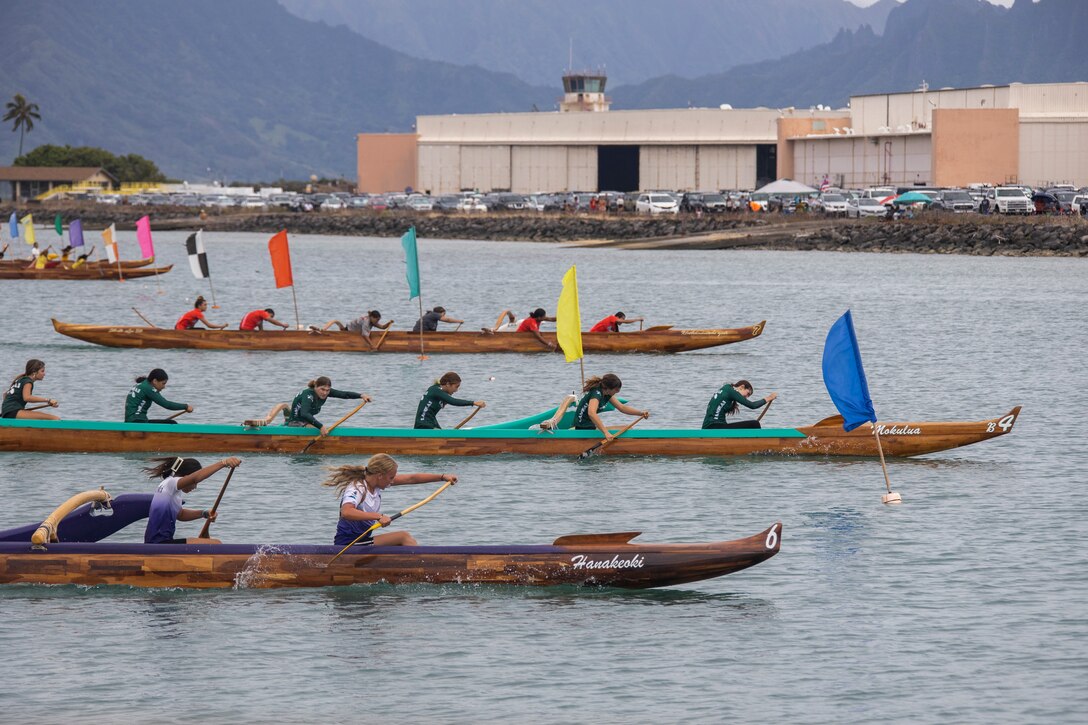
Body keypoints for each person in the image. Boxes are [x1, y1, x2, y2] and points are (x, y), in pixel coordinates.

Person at [325, 453, 458, 547]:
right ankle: (423, 572)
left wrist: (442, 476)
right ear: (380, 476)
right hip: (349, 544)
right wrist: (378, 516)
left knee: (402, 541)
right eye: (391, 478)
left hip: (363, 540)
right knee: (403, 537)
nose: (393, 481)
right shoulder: (357, 488)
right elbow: (347, 512)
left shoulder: (376, 485)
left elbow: (411, 478)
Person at [142, 456, 240, 544]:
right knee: (216, 544)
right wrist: (223, 463)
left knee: (208, 543)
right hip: (159, 543)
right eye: (195, 483)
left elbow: (180, 515)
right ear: (186, 478)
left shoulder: (169, 488)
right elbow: (194, 478)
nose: (195, 486)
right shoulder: (171, 483)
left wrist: (203, 513)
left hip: (160, 541)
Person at [572, 373, 648, 441]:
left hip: (591, 427)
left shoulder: (607, 394)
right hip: (583, 429)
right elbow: (591, 413)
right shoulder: (596, 394)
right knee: (627, 431)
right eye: (616, 390)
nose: (616, 392)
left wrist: (641, 413)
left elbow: (622, 408)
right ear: (608, 388)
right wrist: (606, 433)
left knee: (628, 429)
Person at [286, 376, 370, 435]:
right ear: (315, 387)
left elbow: (344, 394)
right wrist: (321, 427)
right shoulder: (308, 395)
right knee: (323, 430)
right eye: (322, 389)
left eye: (327, 390)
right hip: (295, 423)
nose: (325, 393)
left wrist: (361, 395)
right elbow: (304, 413)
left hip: (306, 421)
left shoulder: (325, 392)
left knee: (324, 430)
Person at [414, 372, 484, 429]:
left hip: (430, 423)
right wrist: (473, 403)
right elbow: (453, 401)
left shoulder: (439, 391)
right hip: (423, 425)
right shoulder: (435, 390)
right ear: (447, 384)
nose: (456, 390)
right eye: (456, 387)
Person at [702, 379, 777, 429]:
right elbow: (752, 405)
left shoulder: (726, 389)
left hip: (711, 427)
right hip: (714, 427)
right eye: (747, 394)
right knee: (754, 424)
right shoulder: (731, 390)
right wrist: (769, 398)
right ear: (742, 387)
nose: (746, 397)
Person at [126, 369, 192, 423]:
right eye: (163, 383)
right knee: (172, 423)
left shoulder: (142, 385)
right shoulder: (148, 388)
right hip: (137, 422)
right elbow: (167, 404)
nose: (164, 387)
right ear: (155, 381)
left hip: (131, 421)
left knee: (169, 422)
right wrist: (185, 406)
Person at [312, 310, 391, 349]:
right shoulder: (366, 322)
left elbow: (383, 327)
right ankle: (321, 329)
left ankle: (321, 329)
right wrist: (372, 345)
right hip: (348, 331)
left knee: (336, 321)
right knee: (336, 322)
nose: (378, 321)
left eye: (378, 320)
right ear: (372, 317)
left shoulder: (371, 321)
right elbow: (364, 336)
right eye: (377, 320)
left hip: (348, 328)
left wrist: (389, 323)